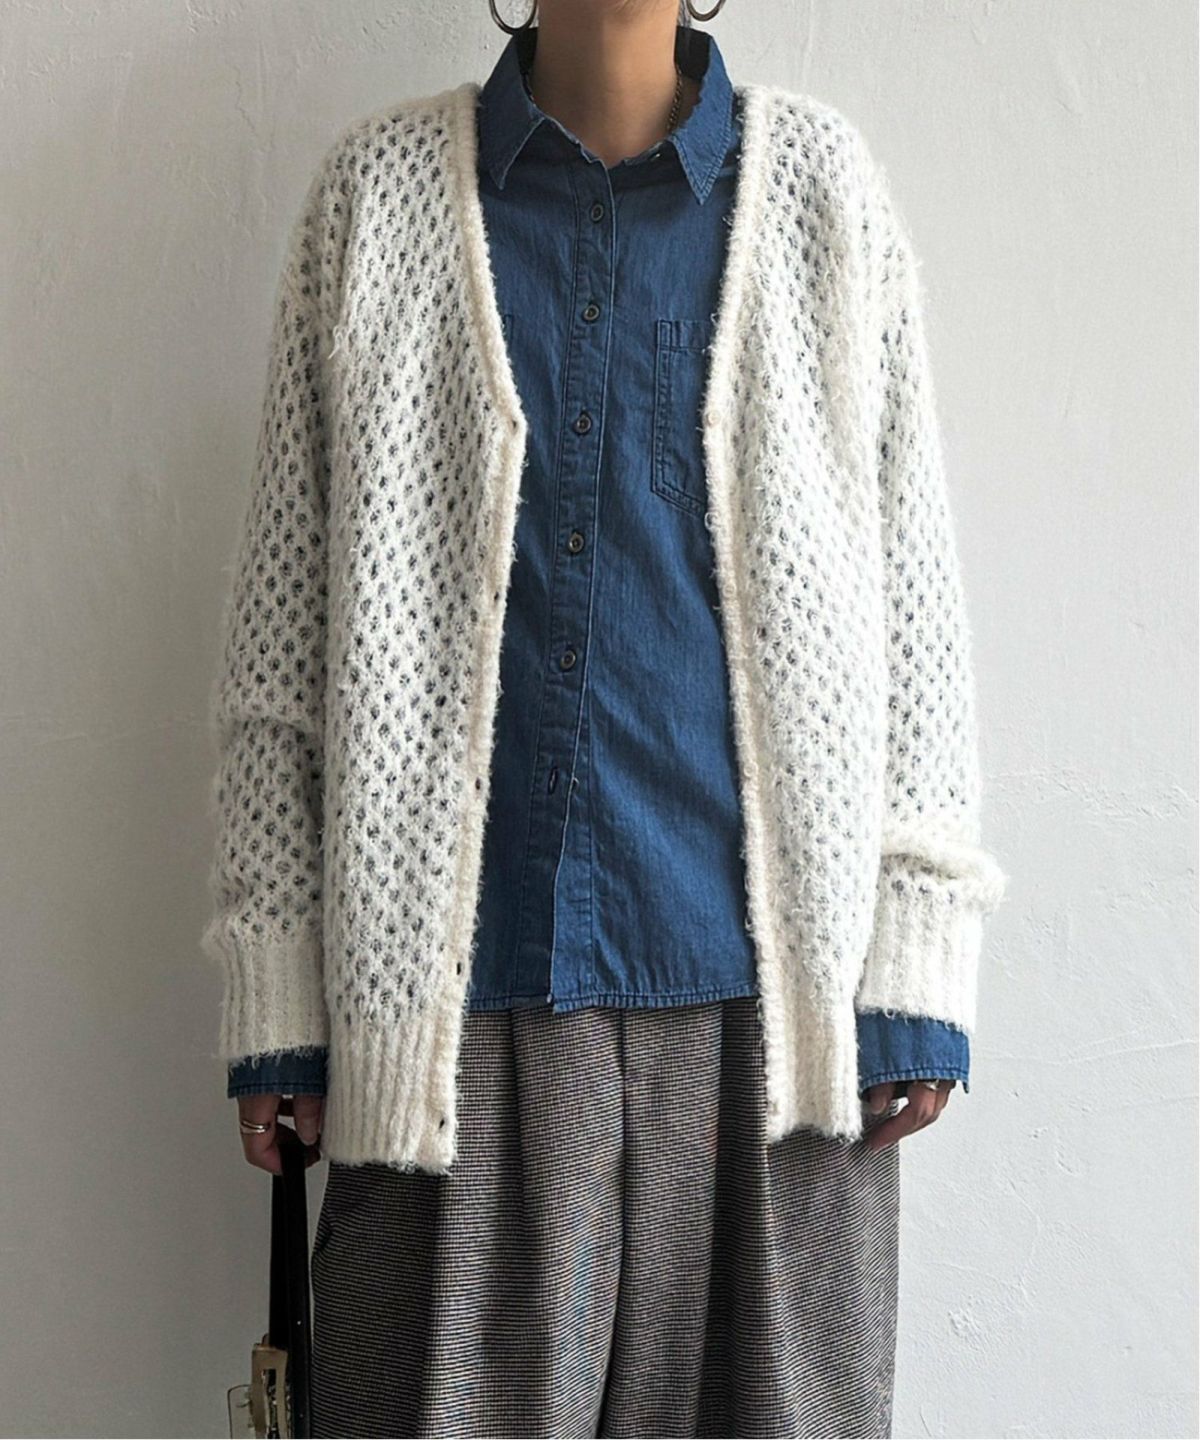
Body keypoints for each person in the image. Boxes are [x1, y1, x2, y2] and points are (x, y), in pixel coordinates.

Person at [202, 1, 1009, 1435]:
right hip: (445, 1030)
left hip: (777, 1040)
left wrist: (920, 952)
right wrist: (278, 989)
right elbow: (281, 647)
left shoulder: (824, 198)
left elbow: (917, 620)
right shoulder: (374, 203)